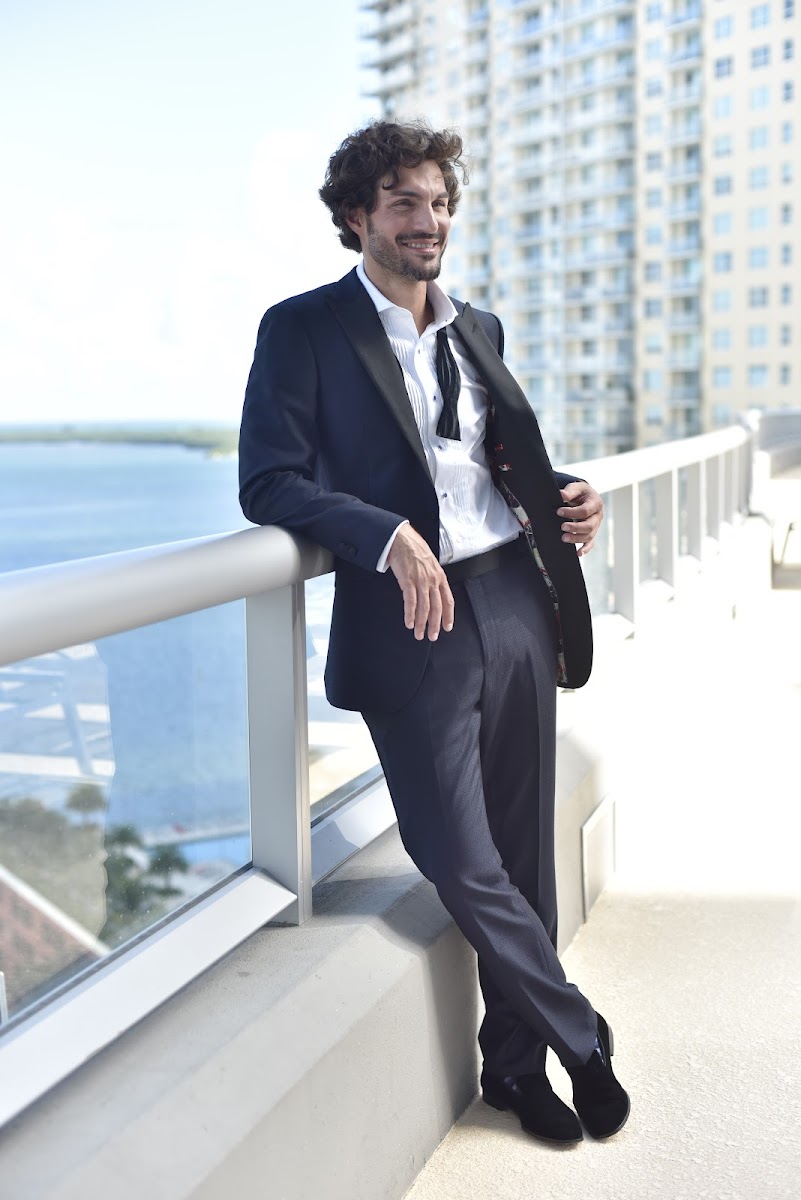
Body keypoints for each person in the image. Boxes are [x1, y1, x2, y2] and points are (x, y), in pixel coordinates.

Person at [238, 120, 630, 1145]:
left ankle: (517, 1069)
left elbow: (491, 469)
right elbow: (269, 480)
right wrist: (383, 536)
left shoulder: (478, 326)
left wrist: (567, 500)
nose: (430, 221)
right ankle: (581, 1033)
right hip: (409, 623)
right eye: (405, 203)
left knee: (522, 853)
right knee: (458, 854)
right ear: (357, 217)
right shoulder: (304, 329)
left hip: (511, 600)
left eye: (440, 202)